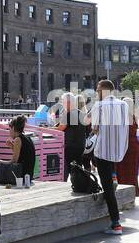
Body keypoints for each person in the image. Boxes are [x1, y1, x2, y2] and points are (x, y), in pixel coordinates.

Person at [90, 79, 131, 233]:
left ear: (103, 90)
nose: (96, 92)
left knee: (107, 189)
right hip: (118, 150)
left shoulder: (98, 106)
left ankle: (116, 223)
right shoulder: (124, 105)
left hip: (103, 151)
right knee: (110, 173)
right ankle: (114, 175)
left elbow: (95, 129)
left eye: (97, 89)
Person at [54, 91, 90, 168]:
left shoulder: (68, 114)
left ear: (68, 102)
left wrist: (45, 129)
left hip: (71, 147)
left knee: (70, 169)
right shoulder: (82, 113)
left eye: (63, 102)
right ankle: (80, 180)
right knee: (78, 168)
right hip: (81, 146)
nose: (62, 104)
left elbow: (60, 129)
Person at [7, 114, 37, 181]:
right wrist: (12, 147)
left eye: (9, 129)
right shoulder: (27, 138)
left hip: (22, 176)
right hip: (29, 175)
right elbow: (23, 155)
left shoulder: (18, 140)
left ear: (13, 128)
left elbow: (14, 161)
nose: (9, 132)